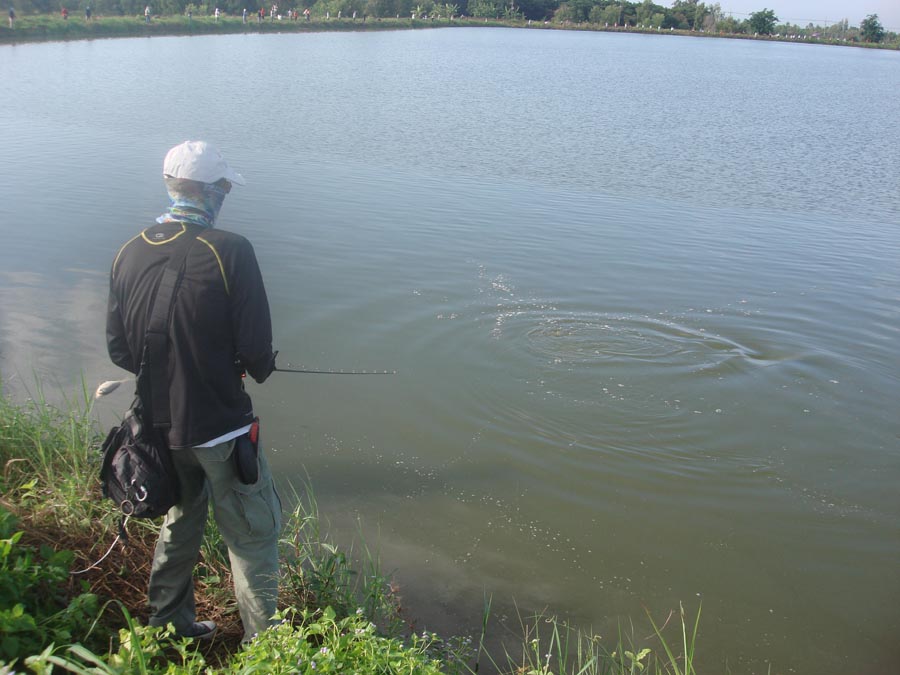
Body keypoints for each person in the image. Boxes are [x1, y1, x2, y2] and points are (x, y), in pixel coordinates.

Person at [106, 141, 281, 642]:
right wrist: (252, 364)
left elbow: (121, 350)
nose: (225, 195)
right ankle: (265, 649)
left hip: (158, 429)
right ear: (211, 192)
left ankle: (167, 627)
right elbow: (256, 356)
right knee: (253, 533)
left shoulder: (128, 249)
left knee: (181, 521)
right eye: (223, 187)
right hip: (219, 427)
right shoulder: (231, 250)